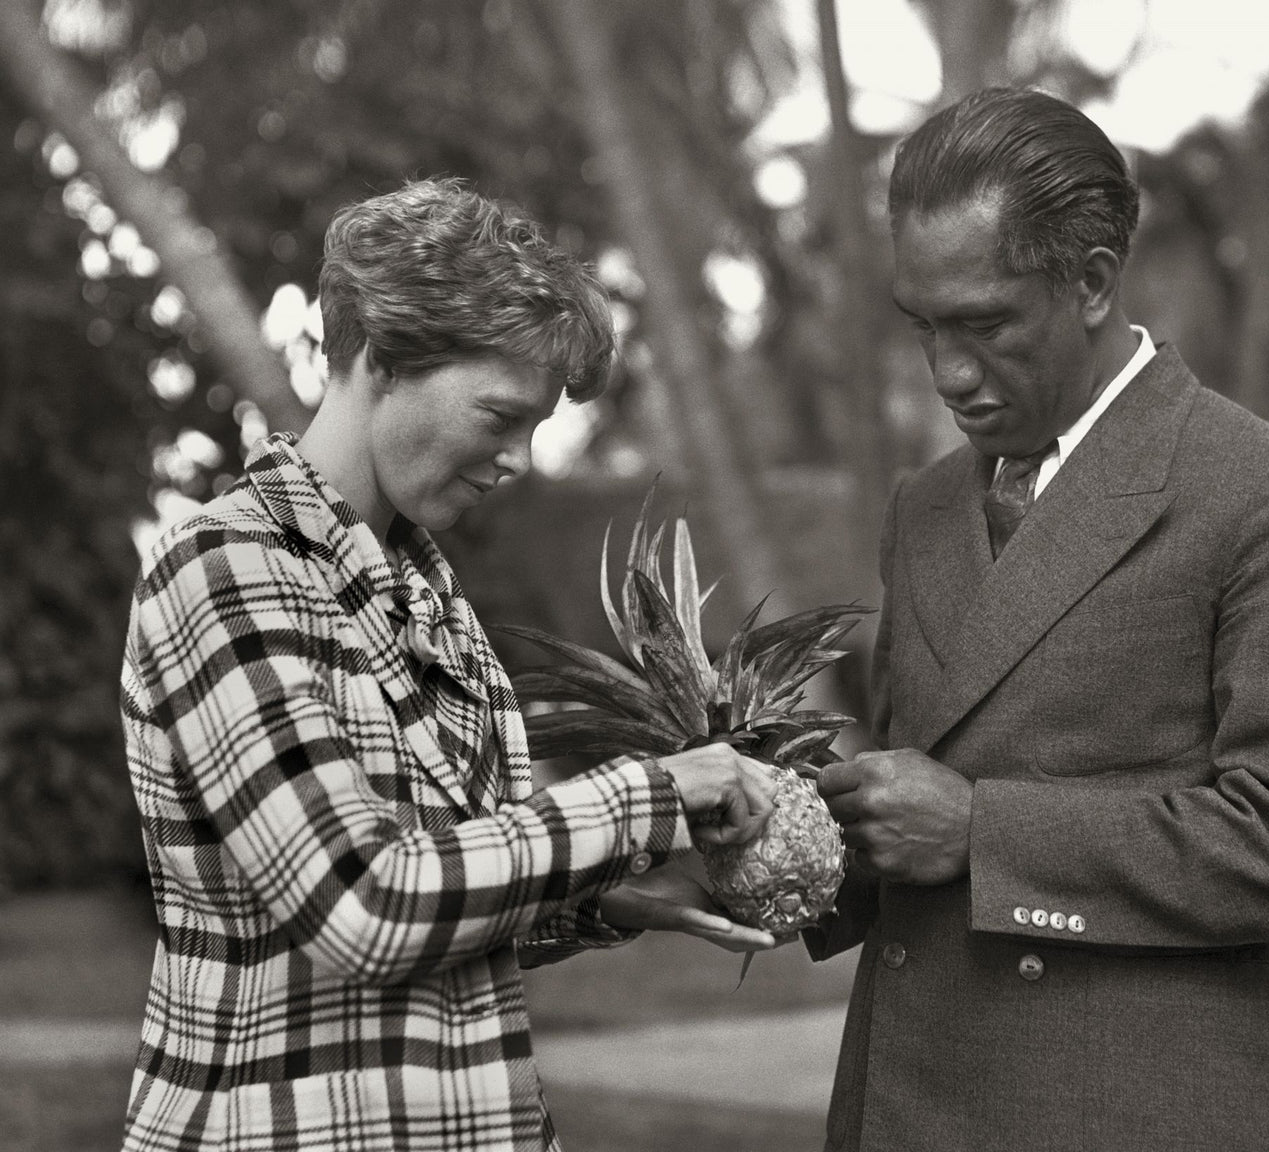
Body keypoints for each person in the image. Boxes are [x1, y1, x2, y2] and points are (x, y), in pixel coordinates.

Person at [120, 176, 779, 1152]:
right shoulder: (227, 575)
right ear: (384, 358)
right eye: (501, 415)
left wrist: (595, 899)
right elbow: (364, 905)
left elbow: (446, 910)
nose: (518, 460)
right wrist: (651, 795)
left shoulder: (433, 605)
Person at [808, 87, 1269, 1152]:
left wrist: (983, 830)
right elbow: (914, 794)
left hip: (1125, 1111)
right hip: (900, 1101)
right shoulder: (925, 504)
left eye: (983, 324)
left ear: (1091, 281)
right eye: (924, 326)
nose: (947, 373)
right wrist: (784, 839)